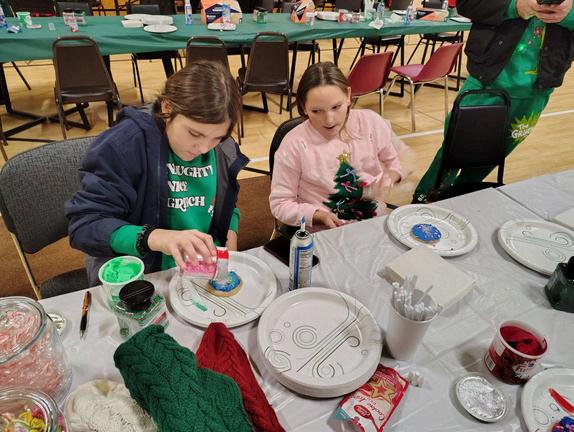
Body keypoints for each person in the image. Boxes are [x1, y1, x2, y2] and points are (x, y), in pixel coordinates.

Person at [66, 61, 248, 286]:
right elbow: (85, 225)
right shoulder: (125, 144)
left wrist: (230, 247)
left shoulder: (221, 147)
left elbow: (225, 205)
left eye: (217, 137)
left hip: (199, 270)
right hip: (143, 272)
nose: (203, 148)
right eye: (194, 134)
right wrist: (157, 237)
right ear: (167, 108)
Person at [413, 0, 574, 203]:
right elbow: (467, 4)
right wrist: (514, 7)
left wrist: (570, 14)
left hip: (539, 86)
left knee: (490, 158)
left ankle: (459, 200)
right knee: (453, 151)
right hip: (487, 78)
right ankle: (423, 201)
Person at [269, 62, 403, 231]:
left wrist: (390, 177)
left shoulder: (371, 122)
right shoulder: (294, 144)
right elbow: (280, 204)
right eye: (316, 111)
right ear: (303, 106)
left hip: (372, 223)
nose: (329, 120)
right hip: (324, 233)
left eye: (336, 107)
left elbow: (394, 164)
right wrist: (318, 216)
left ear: (348, 96)